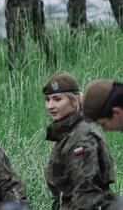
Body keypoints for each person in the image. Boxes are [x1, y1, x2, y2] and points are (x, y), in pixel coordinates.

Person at [43, 71, 117, 209]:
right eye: (47, 99)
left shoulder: (81, 139)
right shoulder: (67, 135)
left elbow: (87, 196)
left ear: (74, 101)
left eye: (57, 99)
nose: (50, 106)